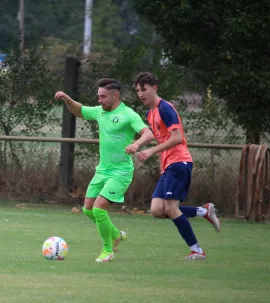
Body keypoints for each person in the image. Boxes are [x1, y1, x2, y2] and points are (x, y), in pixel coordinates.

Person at [55, 78, 155, 262]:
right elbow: (79, 110)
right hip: (102, 171)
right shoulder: (100, 111)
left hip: (121, 172)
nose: (100, 100)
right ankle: (116, 234)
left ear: (115, 96)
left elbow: (148, 133)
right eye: (98, 96)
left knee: (99, 209)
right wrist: (66, 98)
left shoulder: (128, 114)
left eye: (103, 97)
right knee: (88, 210)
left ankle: (108, 250)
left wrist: (137, 143)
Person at [132, 72, 221, 260]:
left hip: (179, 162)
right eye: (138, 90)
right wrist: (156, 160)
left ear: (154, 88)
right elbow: (162, 139)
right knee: (157, 210)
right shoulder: (150, 113)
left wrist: (151, 151)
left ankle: (197, 251)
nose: (141, 94)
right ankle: (203, 211)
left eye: (144, 89)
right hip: (169, 165)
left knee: (171, 208)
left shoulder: (166, 108)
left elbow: (177, 138)